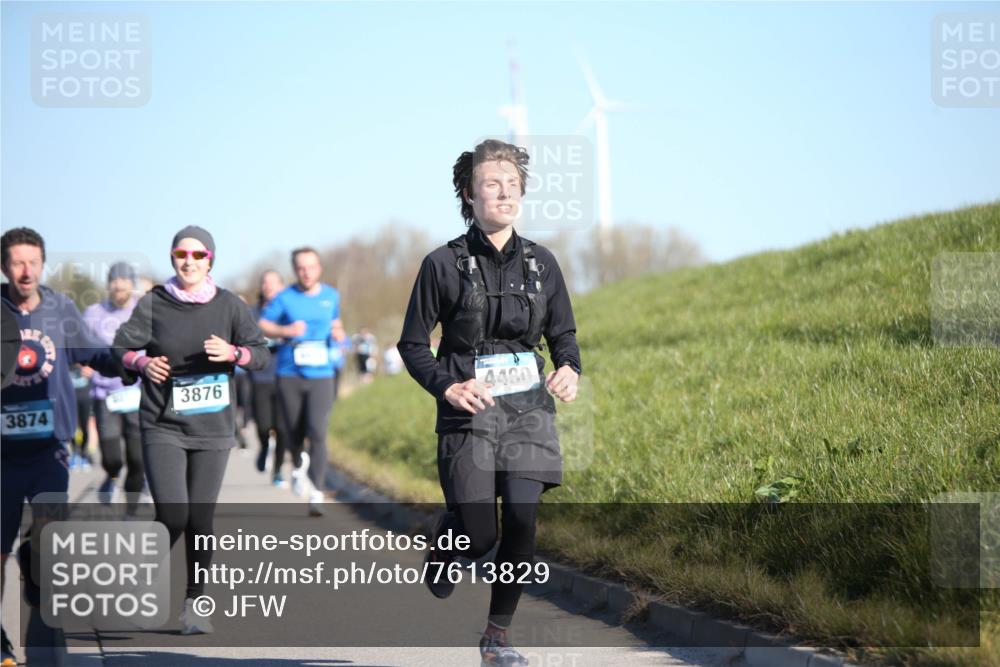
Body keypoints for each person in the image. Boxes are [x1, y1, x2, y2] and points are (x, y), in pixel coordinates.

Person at [398, 139, 582, 666]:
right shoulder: (441, 264)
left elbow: (563, 334)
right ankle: (448, 543)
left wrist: (569, 367)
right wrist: (447, 386)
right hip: (469, 413)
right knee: (480, 537)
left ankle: (496, 638)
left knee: (522, 522)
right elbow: (412, 344)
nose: (504, 193)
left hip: (528, 413)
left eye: (512, 184)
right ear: (469, 195)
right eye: (491, 184)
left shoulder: (543, 263)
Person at [111, 226, 269, 634]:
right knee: (174, 514)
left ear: (210, 261)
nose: (189, 261)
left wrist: (234, 352)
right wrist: (142, 363)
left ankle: (194, 604)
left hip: (213, 429)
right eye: (182, 254)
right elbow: (119, 347)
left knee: (200, 519)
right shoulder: (154, 303)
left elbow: (262, 354)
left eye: (199, 255)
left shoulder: (230, 305)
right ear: (172, 258)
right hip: (162, 423)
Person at [1, 227, 123, 666]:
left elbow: (96, 353)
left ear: (43, 264)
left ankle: (44, 632)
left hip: (50, 449)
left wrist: (132, 361)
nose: (26, 271)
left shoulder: (61, 309)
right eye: (17, 262)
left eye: (33, 262)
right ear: (4, 266)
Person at [258, 247, 345, 517]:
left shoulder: (331, 295)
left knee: (318, 431)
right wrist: (285, 330)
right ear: (295, 270)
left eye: (311, 267)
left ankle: (316, 491)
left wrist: (339, 332)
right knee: (293, 430)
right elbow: (263, 324)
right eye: (301, 268)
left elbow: (335, 322)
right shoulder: (284, 297)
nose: (306, 272)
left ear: (319, 268)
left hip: (322, 374)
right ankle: (297, 463)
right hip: (290, 374)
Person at [83, 261, 146, 509]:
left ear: (132, 284)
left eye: (124, 282)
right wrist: (84, 363)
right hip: (104, 393)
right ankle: (111, 476)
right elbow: (81, 344)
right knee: (111, 457)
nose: (119, 286)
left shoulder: (143, 311)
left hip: (136, 392)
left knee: (137, 458)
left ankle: (131, 506)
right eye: (114, 282)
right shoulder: (94, 313)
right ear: (108, 285)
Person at [249, 270, 287, 484]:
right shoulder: (252, 312)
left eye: (274, 283)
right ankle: (264, 446)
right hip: (260, 377)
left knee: (282, 428)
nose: (269, 286)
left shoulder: (288, 311)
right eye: (265, 282)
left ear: (282, 286)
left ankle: (278, 470)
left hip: (285, 376)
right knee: (263, 425)